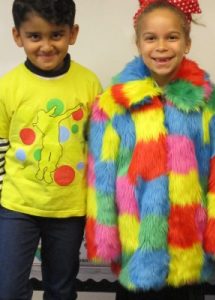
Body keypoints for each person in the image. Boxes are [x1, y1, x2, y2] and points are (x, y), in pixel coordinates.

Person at [86, 0, 215, 299]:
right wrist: (104, 237)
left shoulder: (212, 103)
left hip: (189, 248)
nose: (161, 47)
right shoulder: (113, 104)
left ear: (187, 42)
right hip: (137, 248)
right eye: (151, 38)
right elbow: (101, 177)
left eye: (171, 37)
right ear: (138, 42)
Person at [0, 0, 101, 298]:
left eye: (56, 34)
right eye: (34, 36)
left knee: (61, 287)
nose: (46, 45)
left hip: (69, 208)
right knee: (8, 289)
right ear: (17, 36)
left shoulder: (89, 84)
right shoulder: (8, 86)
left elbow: (98, 147)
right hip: (17, 206)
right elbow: (1, 142)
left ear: (73, 33)